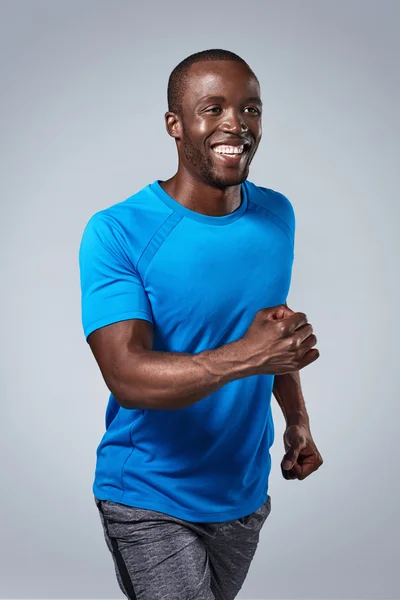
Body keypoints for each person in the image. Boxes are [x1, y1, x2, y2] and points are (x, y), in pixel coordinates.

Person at [79, 48, 323, 600]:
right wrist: (252, 356)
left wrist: (298, 421)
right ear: (175, 124)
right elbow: (126, 375)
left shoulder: (276, 215)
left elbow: (270, 336)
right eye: (212, 109)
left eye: (250, 109)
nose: (235, 123)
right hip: (149, 494)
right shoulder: (116, 231)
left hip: (243, 493)